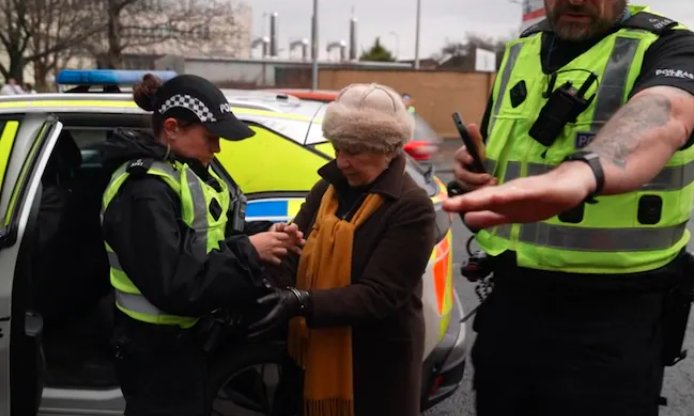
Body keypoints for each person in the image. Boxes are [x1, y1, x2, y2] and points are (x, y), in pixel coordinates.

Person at [444, 1, 694, 416]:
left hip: (610, 319)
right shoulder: (521, 49)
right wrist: (471, 170)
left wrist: (582, 173)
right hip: (511, 302)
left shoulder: (673, 46)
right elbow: (502, 147)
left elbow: (664, 112)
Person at [100, 73, 303, 416]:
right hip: (155, 352)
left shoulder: (183, 172)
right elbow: (177, 283)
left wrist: (266, 234)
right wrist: (251, 251)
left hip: (184, 341)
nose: (218, 148)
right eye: (211, 137)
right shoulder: (143, 192)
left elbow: (208, 238)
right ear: (172, 127)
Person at [250, 83, 436, 416]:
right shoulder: (327, 189)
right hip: (310, 357)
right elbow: (296, 255)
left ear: (389, 148)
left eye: (354, 150)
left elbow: (379, 295)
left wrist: (301, 302)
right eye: (338, 147)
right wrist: (280, 242)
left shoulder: (411, 206)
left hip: (373, 370)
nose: (342, 161)